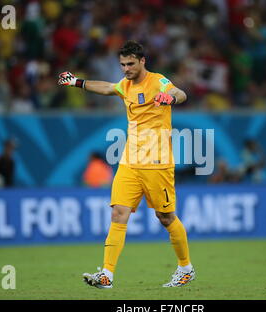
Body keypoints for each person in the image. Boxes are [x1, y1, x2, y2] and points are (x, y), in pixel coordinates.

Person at [58, 40, 194, 289]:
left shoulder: (158, 81)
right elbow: (108, 88)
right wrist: (76, 82)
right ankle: (106, 275)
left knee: (165, 217)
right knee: (118, 214)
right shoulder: (125, 85)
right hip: (130, 162)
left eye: (130, 64)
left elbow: (180, 93)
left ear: (143, 61)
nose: (126, 69)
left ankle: (185, 268)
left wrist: (170, 98)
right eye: (122, 64)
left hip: (158, 163)